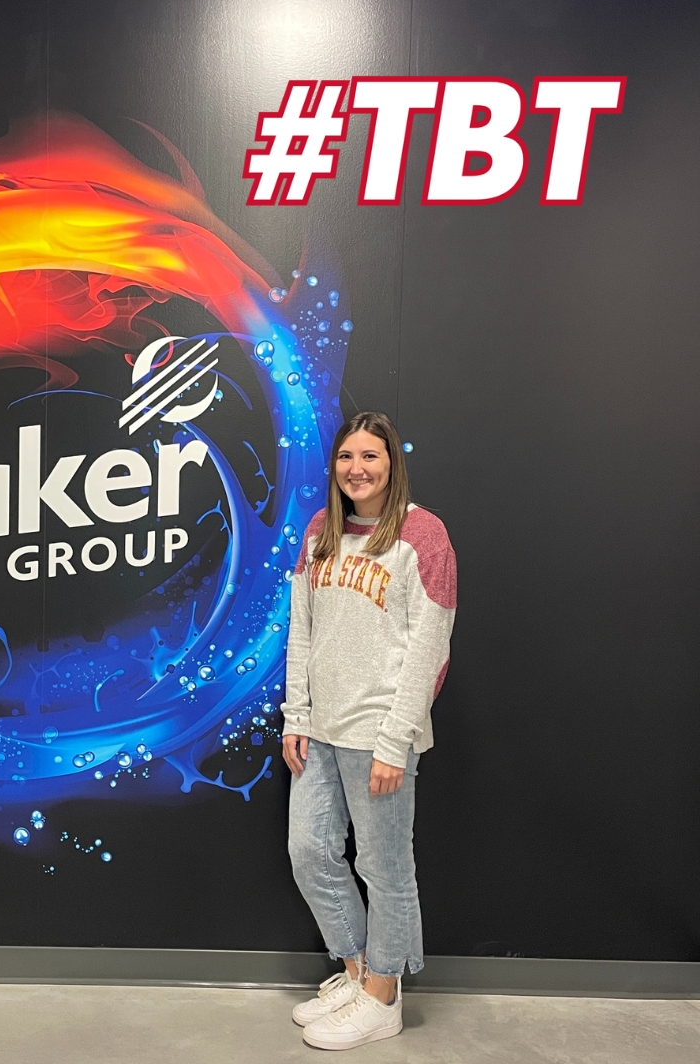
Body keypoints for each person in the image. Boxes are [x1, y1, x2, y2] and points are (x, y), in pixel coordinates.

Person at [281, 410, 456, 1051]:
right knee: (310, 853)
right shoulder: (320, 532)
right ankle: (357, 973)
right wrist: (295, 716)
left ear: (391, 464)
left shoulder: (423, 535)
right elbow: (302, 631)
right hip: (319, 733)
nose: (357, 469)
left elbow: (429, 647)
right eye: (346, 457)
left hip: (379, 733)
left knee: (385, 871)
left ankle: (384, 998)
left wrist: (395, 738)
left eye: (371, 457)